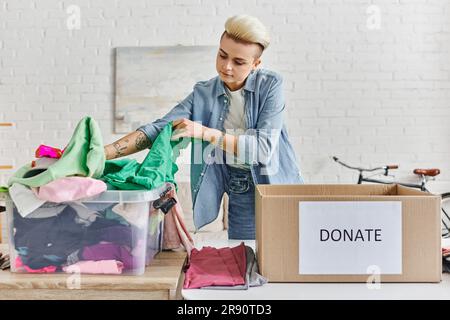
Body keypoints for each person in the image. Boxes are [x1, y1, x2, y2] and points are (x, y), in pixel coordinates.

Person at [104, 15, 303, 240]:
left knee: (287, 255)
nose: (226, 67)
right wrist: (102, 154)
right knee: (247, 256)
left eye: (238, 62)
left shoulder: (271, 85)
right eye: (222, 55)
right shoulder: (203, 93)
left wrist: (205, 133)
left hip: (276, 182)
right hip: (239, 185)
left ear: (256, 64)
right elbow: (159, 129)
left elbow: (263, 149)